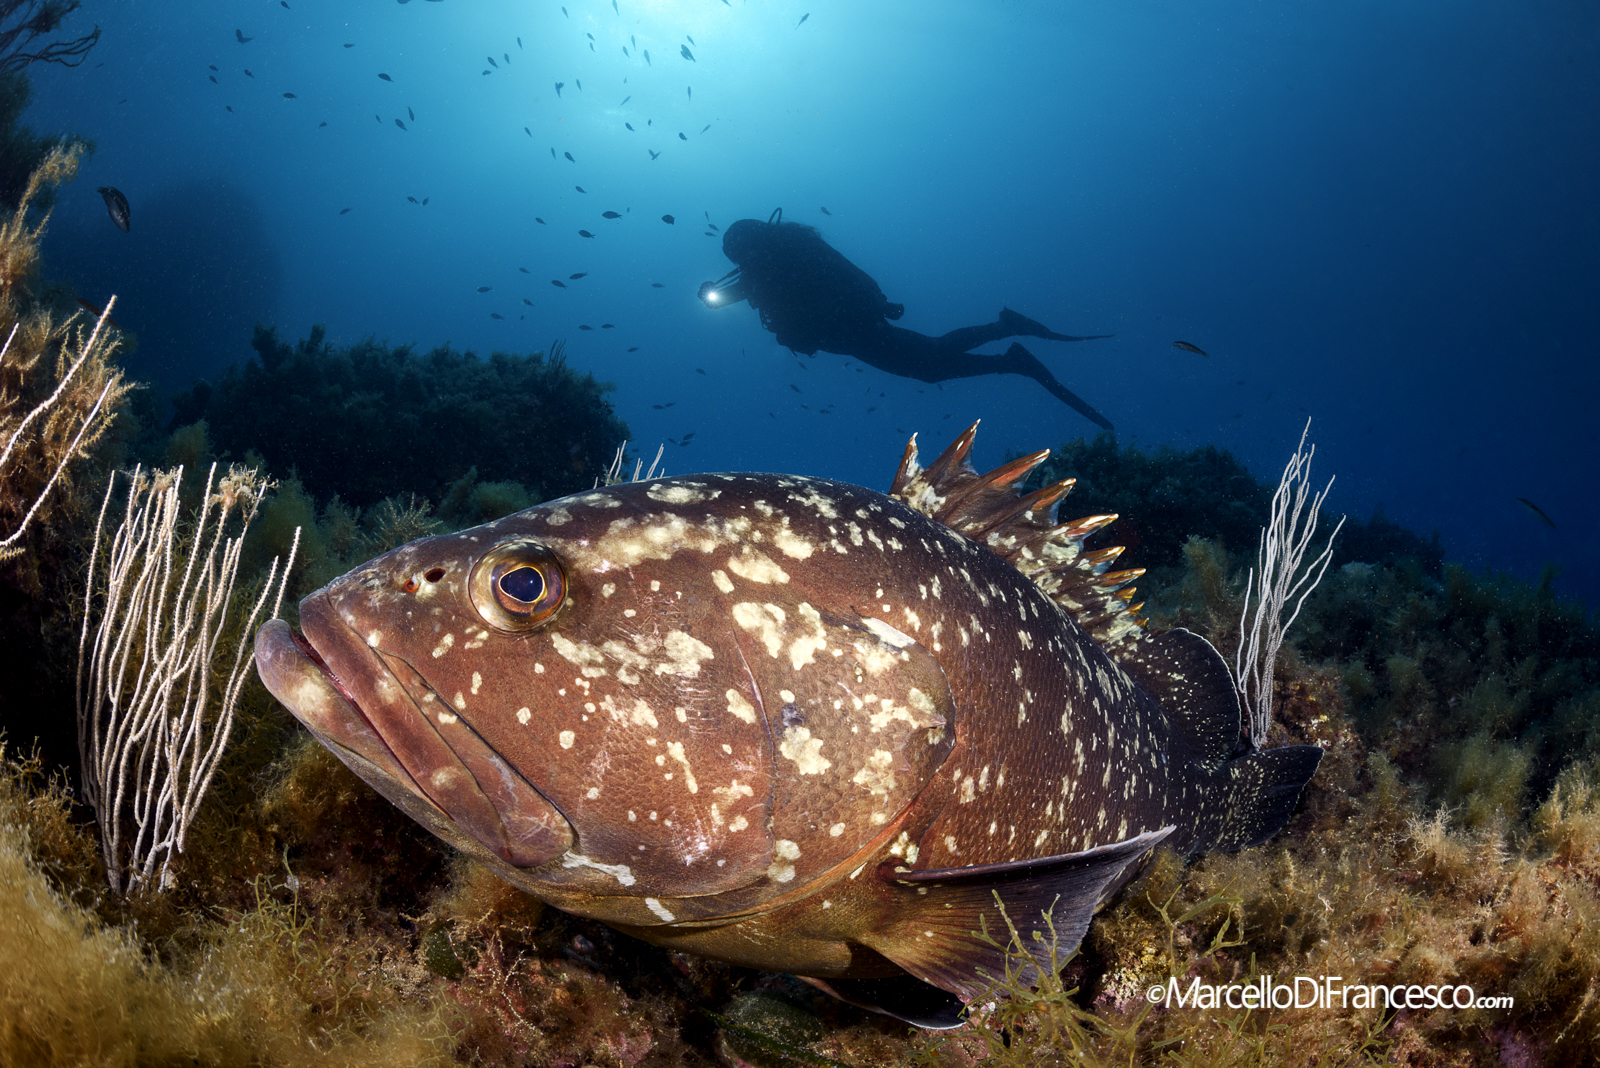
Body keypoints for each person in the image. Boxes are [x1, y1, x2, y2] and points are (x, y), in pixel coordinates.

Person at [699, 209, 1114, 429]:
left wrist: (879, 301)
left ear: (753, 243)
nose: (742, 262)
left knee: (929, 363)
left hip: (854, 326)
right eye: (738, 257)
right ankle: (1009, 345)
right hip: (845, 335)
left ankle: (1009, 345)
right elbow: (726, 296)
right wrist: (711, 297)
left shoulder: (789, 254)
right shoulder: (761, 273)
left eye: (741, 252)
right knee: (928, 362)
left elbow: (844, 270)